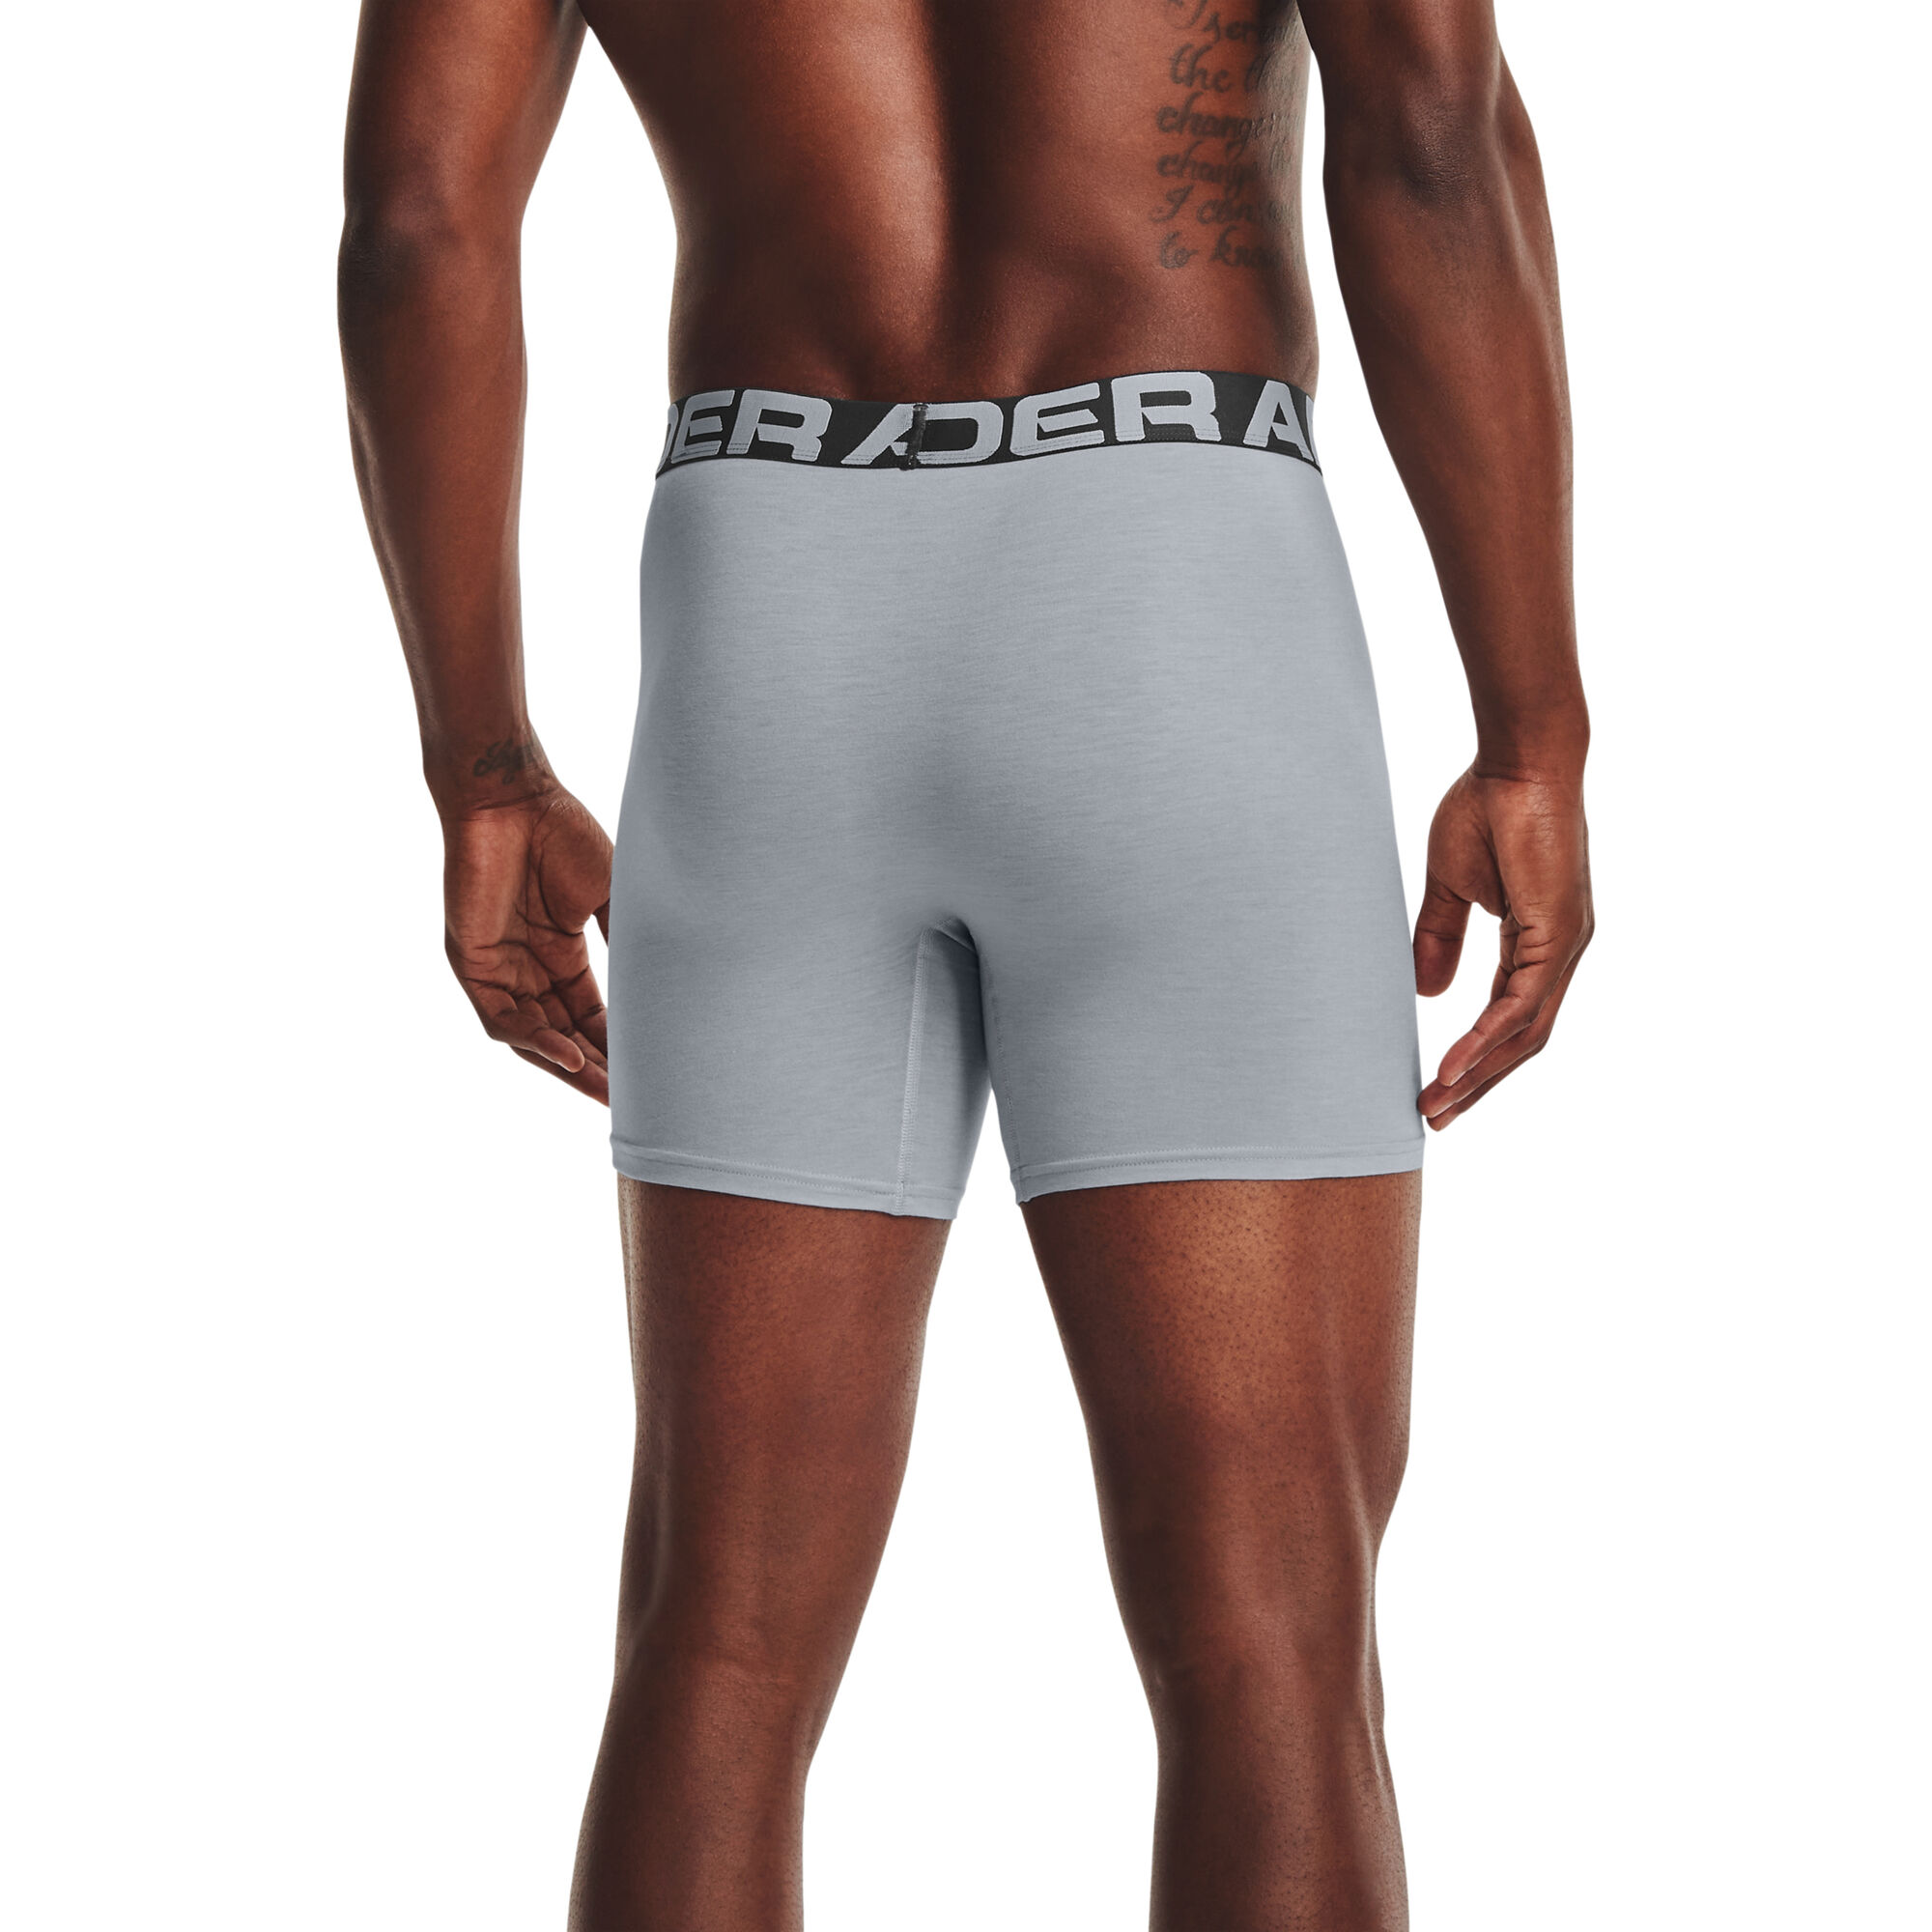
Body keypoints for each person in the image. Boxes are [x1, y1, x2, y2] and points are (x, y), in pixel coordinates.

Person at [338, 0, 1592, 1922]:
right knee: (1270, 1630)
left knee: (718, 1634)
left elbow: (421, 217)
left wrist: (482, 764)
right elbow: (1428, 130)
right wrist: (1531, 731)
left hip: (765, 588)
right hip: (1175, 564)